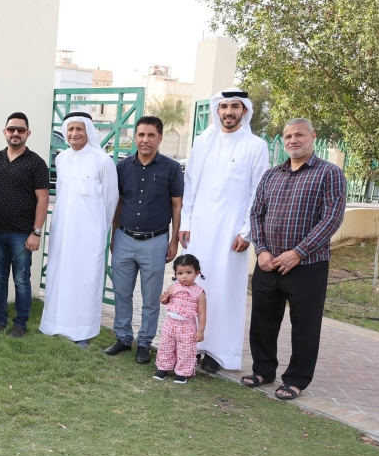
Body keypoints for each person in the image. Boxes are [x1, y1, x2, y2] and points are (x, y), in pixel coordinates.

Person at [245, 118, 346, 400]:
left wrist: (299, 252)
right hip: (268, 263)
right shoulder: (271, 175)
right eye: (288, 136)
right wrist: (261, 250)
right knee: (263, 320)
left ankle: (296, 379)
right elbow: (256, 214)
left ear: (312, 136)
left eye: (299, 135)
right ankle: (263, 370)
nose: (293, 140)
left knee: (305, 325)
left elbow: (332, 218)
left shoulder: (329, 173)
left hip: (308, 266)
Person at [179, 88, 269, 373]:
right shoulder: (202, 142)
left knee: (226, 290)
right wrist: (185, 222)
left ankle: (219, 354)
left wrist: (247, 232)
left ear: (244, 111)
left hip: (232, 234)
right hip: (200, 230)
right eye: (224, 106)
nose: (228, 112)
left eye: (235, 107)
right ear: (217, 110)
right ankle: (190, 345)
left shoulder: (256, 146)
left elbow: (258, 192)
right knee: (195, 287)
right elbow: (190, 185)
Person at [105, 116, 184, 364]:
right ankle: (123, 338)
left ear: (160, 138)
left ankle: (145, 342)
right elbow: (117, 202)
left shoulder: (171, 168)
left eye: (151, 135)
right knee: (122, 292)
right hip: (124, 238)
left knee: (151, 298)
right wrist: (114, 234)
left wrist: (173, 241)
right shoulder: (122, 167)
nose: (145, 140)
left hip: (155, 240)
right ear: (135, 137)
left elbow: (176, 205)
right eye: (141, 135)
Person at [38, 112, 118, 347]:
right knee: (59, 275)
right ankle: (55, 324)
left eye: (79, 129)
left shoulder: (102, 160)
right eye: (70, 129)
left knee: (85, 279)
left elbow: (111, 199)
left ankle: (83, 331)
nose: (74, 134)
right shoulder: (61, 158)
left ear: (89, 131)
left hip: (89, 232)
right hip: (63, 229)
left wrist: (100, 230)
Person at [0, 112, 50, 338]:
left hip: (23, 234)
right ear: (5, 132)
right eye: (11, 129)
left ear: (27, 133)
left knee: (21, 279)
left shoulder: (36, 163)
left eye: (20, 130)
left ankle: (20, 323)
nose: (15, 133)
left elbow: (43, 199)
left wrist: (36, 232)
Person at [154, 254, 207, 384]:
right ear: (176, 274)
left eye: (189, 272)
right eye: (180, 273)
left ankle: (182, 372)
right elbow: (165, 302)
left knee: (186, 350)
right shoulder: (173, 288)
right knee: (166, 346)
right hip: (170, 324)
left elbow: (202, 313)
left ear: (197, 273)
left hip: (187, 326)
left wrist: (200, 331)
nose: (184, 276)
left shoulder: (199, 293)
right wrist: (164, 299)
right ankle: (163, 368)